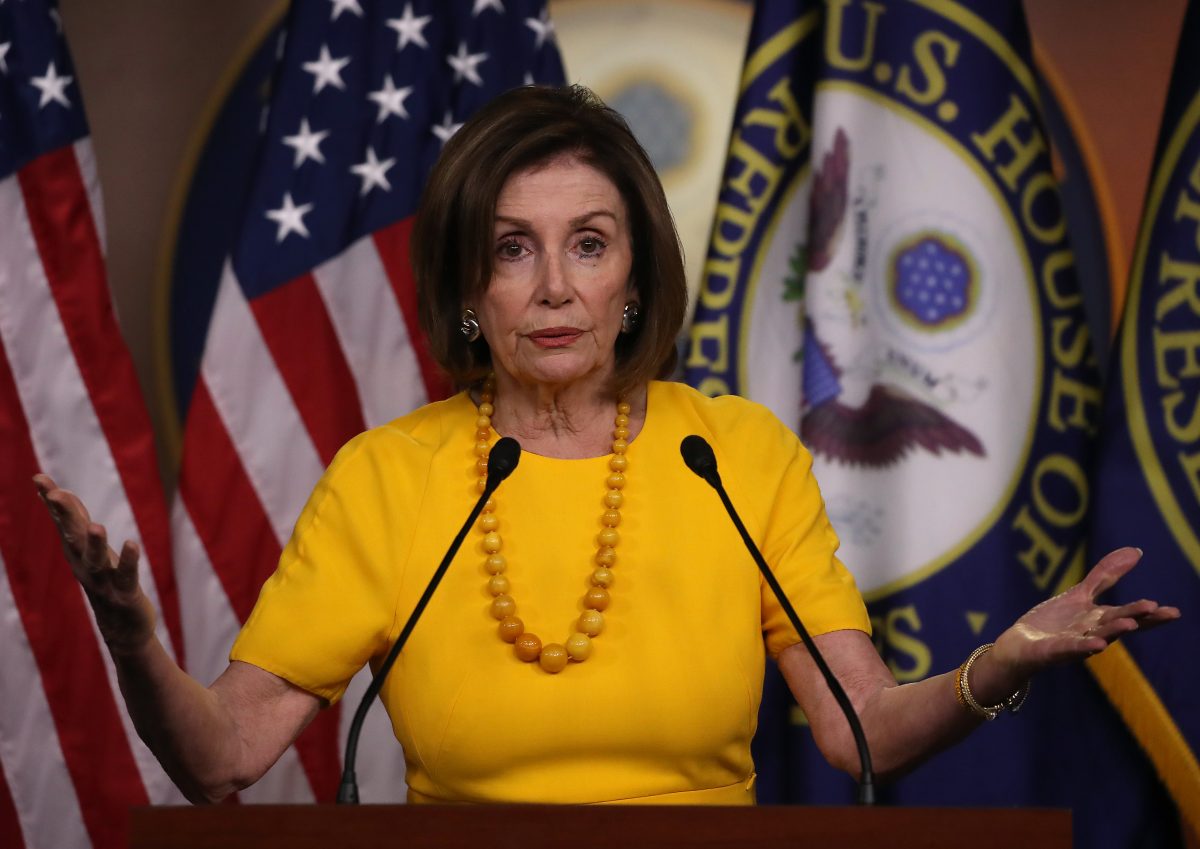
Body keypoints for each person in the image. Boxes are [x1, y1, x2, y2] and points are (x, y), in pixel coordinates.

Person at [34, 84, 1179, 806]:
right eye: (513, 249)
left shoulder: (732, 454)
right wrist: (136, 647)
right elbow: (224, 754)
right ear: (467, 288)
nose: (554, 289)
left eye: (588, 244)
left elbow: (860, 733)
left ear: (634, 279)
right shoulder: (390, 477)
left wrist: (998, 668)